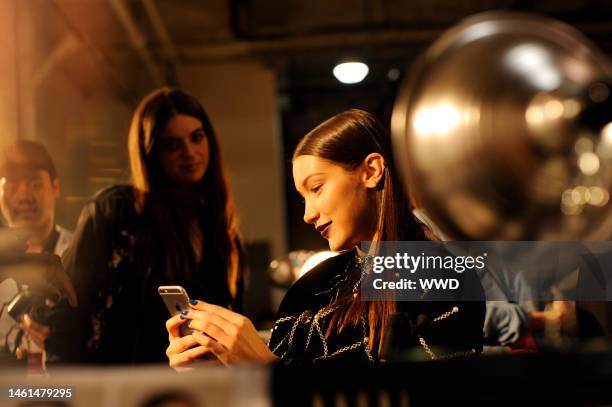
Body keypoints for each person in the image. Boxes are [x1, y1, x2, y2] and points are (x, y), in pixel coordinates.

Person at [166, 109, 485, 368]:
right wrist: (220, 369)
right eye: (303, 197)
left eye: (317, 188)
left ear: (372, 171)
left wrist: (265, 367)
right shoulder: (310, 288)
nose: (308, 214)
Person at [61, 87, 246, 364]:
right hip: (118, 383)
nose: (190, 153)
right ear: (150, 153)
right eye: (172, 144)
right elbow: (70, 302)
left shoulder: (217, 225)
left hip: (193, 387)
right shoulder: (116, 210)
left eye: (197, 137)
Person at [0, 140, 76, 368]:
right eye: (11, 186)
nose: (24, 196)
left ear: (55, 187)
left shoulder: (81, 252)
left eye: (35, 184)